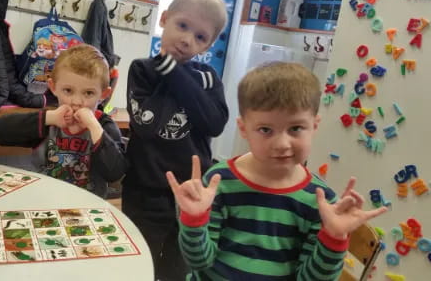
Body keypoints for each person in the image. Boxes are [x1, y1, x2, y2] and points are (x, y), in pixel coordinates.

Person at [166, 62, 388, 280]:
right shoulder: (219, 182)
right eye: (265, 129)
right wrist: (194, 219)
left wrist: (334, 237)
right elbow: (199, 262)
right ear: (243, 129)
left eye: (295, 128)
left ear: (315, 125)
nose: (282, 143)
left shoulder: (321, 201)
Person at [123, 0, 229, 280]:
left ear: (207, 46)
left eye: (199, 37)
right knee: (140, 265)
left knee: (177, 267)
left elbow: (214, 123)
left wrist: (174, 72)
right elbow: (147, 125)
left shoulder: (209, 77)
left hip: (191, 193)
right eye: (182, 26)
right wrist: (171, 72)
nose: (186, 40)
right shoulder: (142, 70)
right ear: (164, 18)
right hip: (145, 191)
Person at [0, 44, 126, 198]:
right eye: (68, 91)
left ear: (103, 94)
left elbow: (116, 173)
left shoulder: (104, 126)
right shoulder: (49, 121)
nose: (77, 101)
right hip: (44, 201)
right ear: (53, 87)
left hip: (87, 209)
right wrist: (48, 118)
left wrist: (94, 127)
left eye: (89, 93)